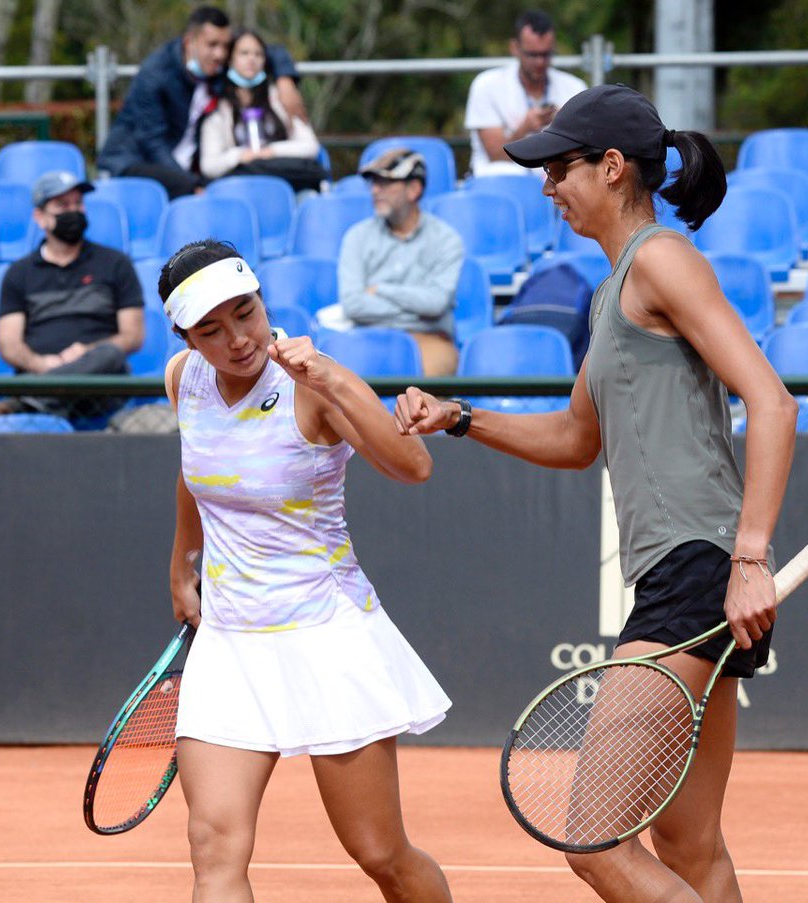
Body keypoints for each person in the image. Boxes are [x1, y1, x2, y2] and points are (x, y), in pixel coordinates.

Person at [396, 84, 799, 902]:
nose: (547, 188)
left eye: (560, 169)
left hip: (699, 568)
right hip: (689, 572)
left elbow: (773, 399)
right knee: (687, 845)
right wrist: (462, 417)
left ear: (612, 168)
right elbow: (578, 439)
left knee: (592, 838)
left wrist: (749, 556)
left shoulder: (661, 258)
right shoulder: (612, 291)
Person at [162, 239, 453, 902]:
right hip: (232, 640)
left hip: (326, 633)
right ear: (185, 335)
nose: (238, 337)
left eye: (247, 311)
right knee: (214, 845)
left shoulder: (311, 384)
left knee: (381, 852)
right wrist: (184, 562)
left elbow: (414, 467)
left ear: (263, 299)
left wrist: (326, 376)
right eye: (212, 328)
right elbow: (198, 470)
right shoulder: (185, 377)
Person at [0, 170, 144, 423]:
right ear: (40, 217)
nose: (73, 211)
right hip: (39, 373)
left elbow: (132, 336)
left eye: (77, 204)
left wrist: (86, 352)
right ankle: (45, 398)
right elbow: (9, 344)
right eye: (62, 206)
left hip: (99, 387)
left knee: (109, 353)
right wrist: (45, 366)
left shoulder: (115, 263)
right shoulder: (19, 273)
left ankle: (29, 403)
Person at [97, 6, 307, 197]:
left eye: (225, 46)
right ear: (190, 42)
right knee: (195, 188)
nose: (220, 54)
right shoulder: (155, 75)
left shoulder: (215, 66)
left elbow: (268, 51)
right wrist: (192, 184)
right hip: (135, 160)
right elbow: (153, 143)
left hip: (188, 167)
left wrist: (285, 79)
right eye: (212, 45)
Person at [333, 148, 464, 376]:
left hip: (429, 340)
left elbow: (436, 304)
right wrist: (420, 311)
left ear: (414, 189)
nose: (375, 190)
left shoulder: (446, 239)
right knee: (338, 388)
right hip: (368, 337)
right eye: (374, 183)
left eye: (385, 183)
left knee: (426, 400)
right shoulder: (356, 236)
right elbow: (353, 304)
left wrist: (380, 290)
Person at [198, 29, 325, 192]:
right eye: (244, 53)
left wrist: (271, 152)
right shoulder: (218, 108)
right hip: (239, 190)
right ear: (230, 59)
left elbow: (310, 146)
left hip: (286, 184)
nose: (251, 59)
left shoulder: (281, 98)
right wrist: (240, 155)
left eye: (258, 54)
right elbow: (209, 165)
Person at [463, 10, 588, 177]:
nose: (540, 62)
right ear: (515, 48)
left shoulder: (574, 87)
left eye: (546, 54)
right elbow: (496, 156)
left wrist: (563, 124)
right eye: (533, 54)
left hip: (553, 178)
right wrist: (524, 128)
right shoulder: (487, 85)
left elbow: (584, 150)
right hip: (500, 180)